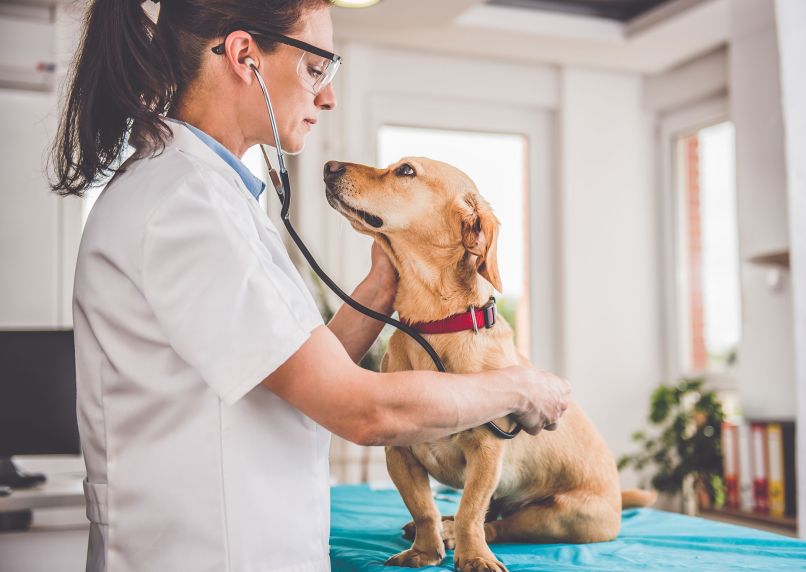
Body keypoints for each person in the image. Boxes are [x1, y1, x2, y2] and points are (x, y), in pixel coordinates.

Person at [50, 1, 570, 570]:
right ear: (245, 55)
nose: (328, 97)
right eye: (316, 68)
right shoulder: (185, 208)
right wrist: (521, 387)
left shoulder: (208, 199)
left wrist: (379, 289)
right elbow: (360, 410)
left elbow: (294, 370)